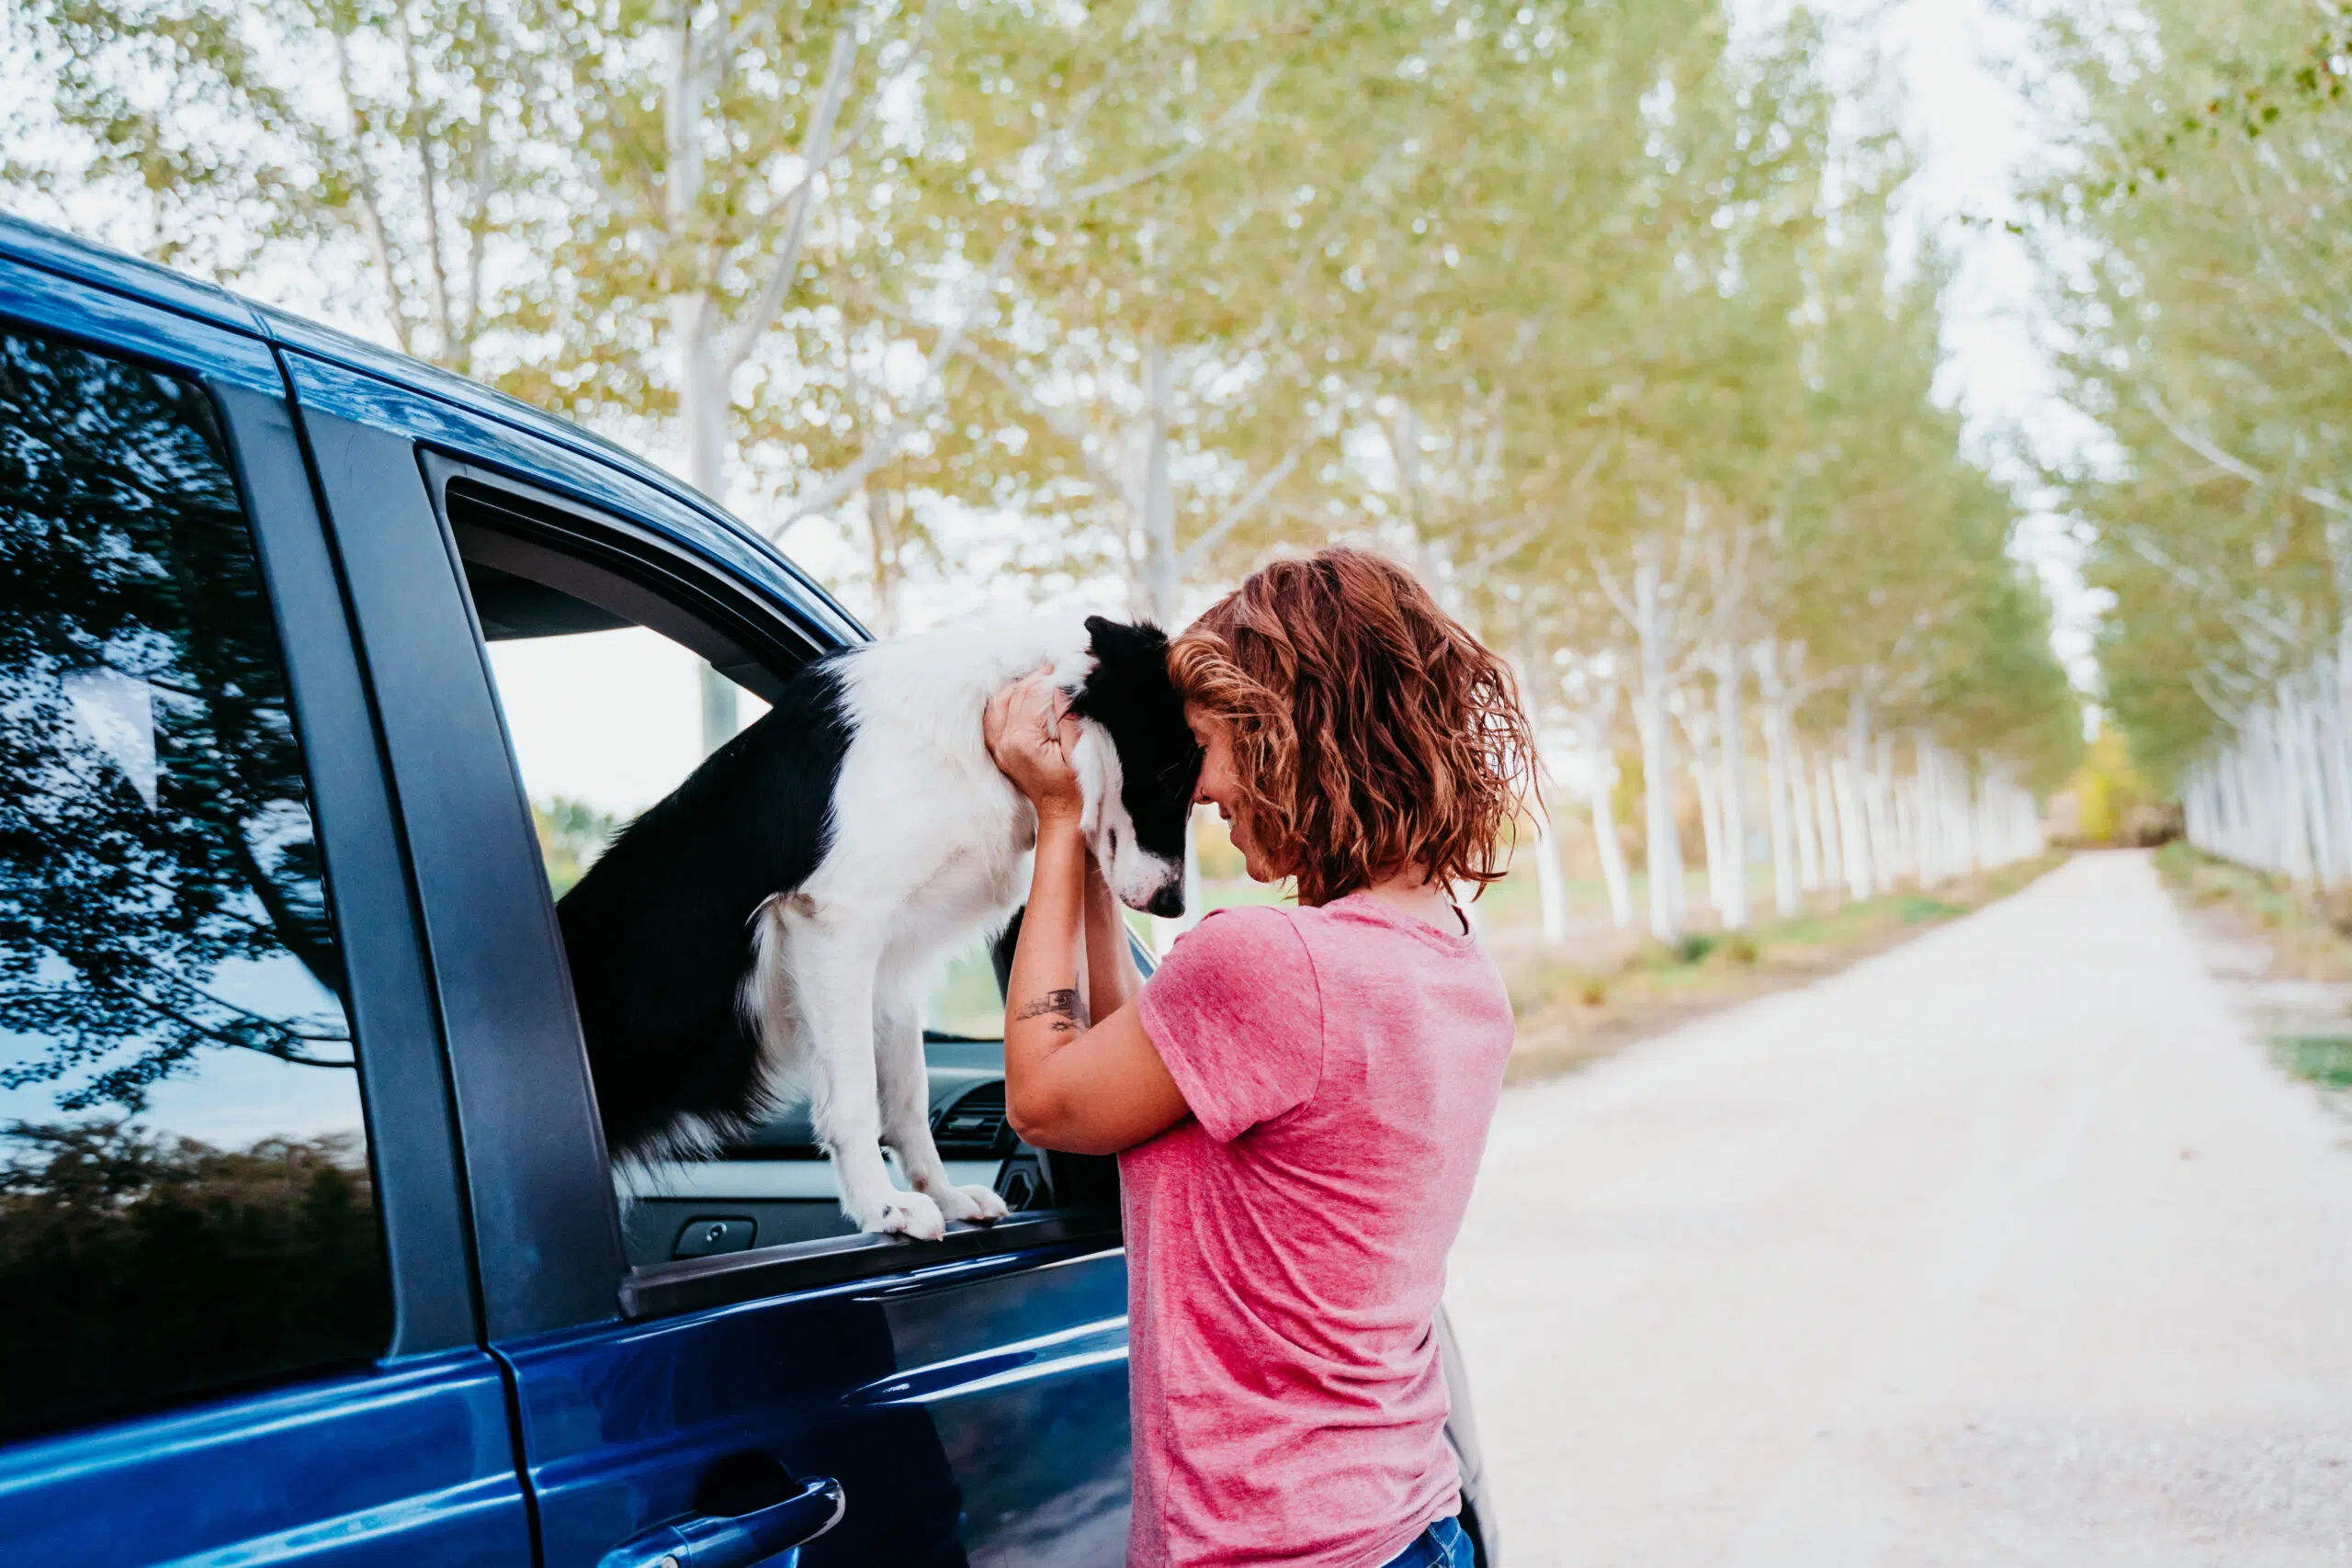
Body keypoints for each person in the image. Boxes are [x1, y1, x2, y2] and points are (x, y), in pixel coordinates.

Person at [982, 546, 1533, 1568]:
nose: (1200, 788)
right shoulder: (1449, 959)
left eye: (1211, 746)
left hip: (1279, 1544)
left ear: (1296, 741)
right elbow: (1147, 1053)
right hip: (1401, 1518)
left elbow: (1052, 1102)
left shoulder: (1272, 964)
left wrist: (1058, 824)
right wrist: (1113, 835)